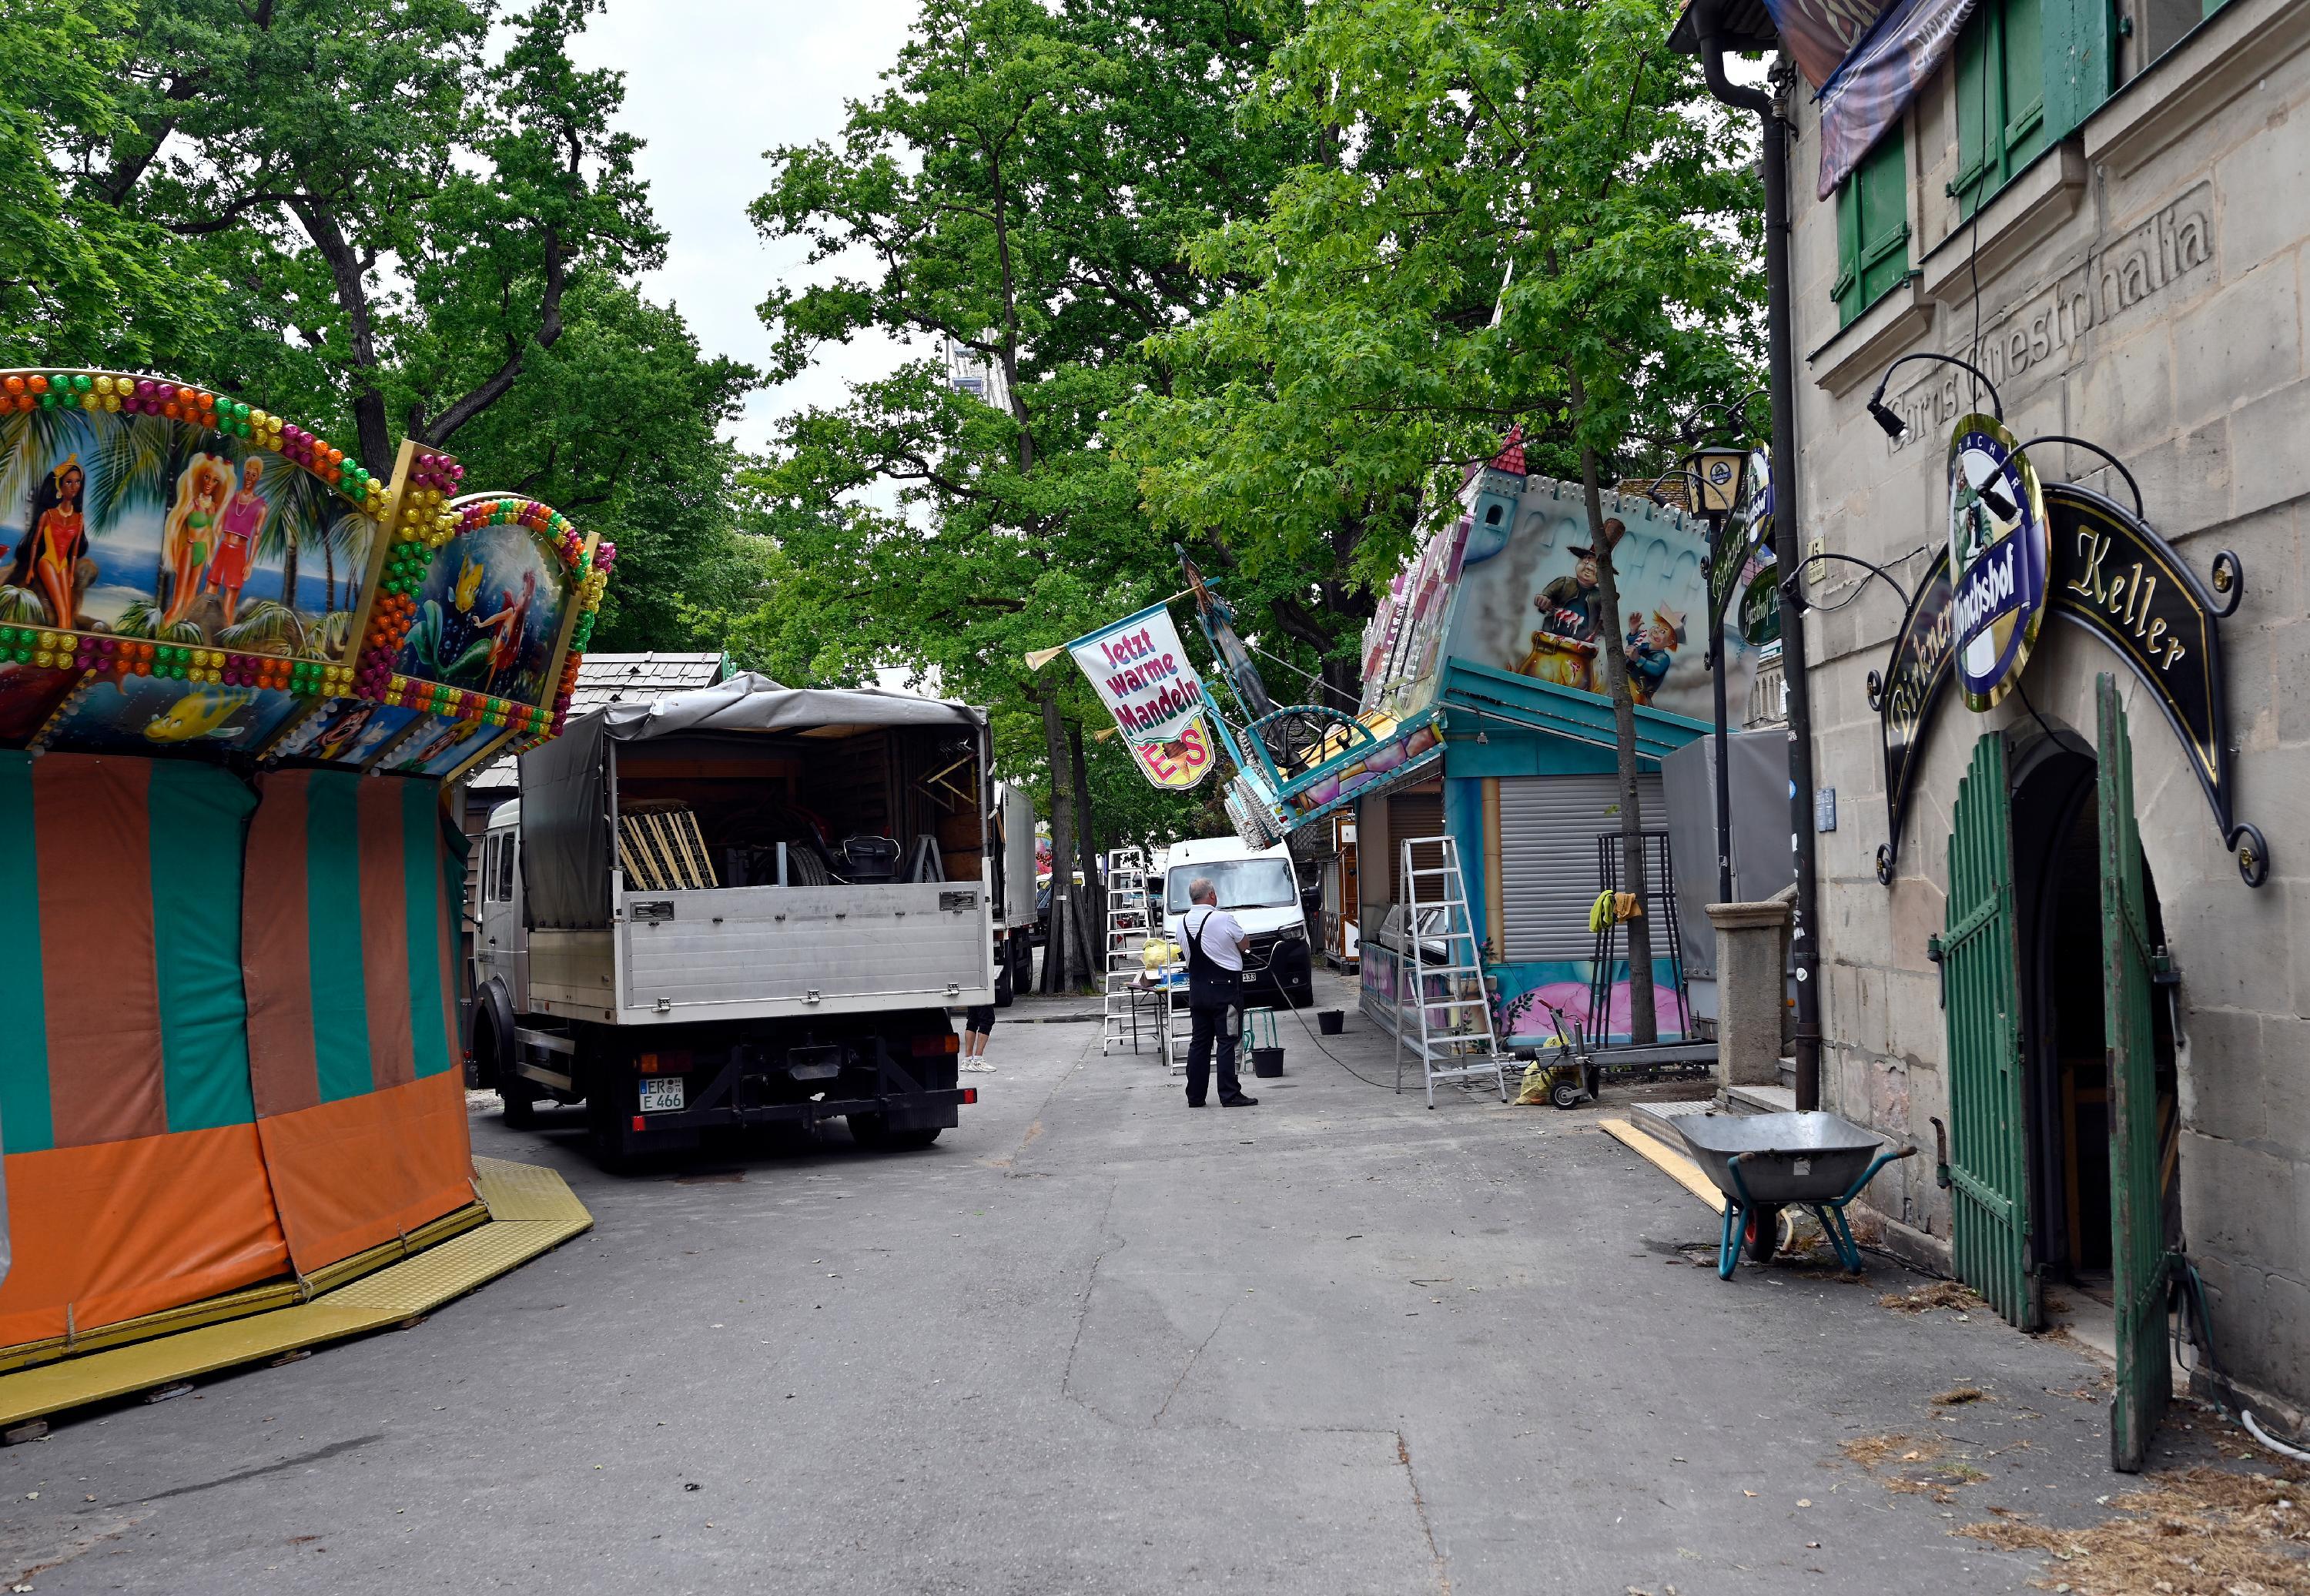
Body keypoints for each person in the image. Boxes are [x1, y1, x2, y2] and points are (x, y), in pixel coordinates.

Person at [1180, 876, 1257, 1109]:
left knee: (1200, 1043)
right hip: (1225, 992)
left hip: (1198, 992)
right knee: (1228, 1041)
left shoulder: (1181, 922)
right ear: (1212, 895)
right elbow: (1245, 944)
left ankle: (1195, 1096)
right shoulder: (1223, 919)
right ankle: (1229, 1094)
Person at [961, 1003, 996, 1072]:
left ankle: (968, 1060)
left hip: (971, 994)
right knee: (987, 1019)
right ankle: (978, 1060)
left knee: (973, 1020)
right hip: (983, 993)